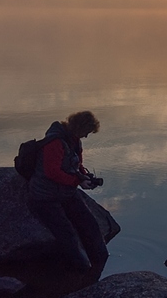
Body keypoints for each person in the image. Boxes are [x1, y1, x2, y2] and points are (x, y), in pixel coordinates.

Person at [27, 110, 108, 271]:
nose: (86, 136)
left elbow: (77, 165)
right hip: (45, 197)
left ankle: (101, 261)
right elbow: (52, 172)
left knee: (91, 225)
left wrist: (84, 176)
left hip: (66, 193)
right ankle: (81, 270)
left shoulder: (74, 140)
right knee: (67, 234)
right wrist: (77, 181)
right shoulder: (54, 142)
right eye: (86, 132)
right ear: (79, 128)